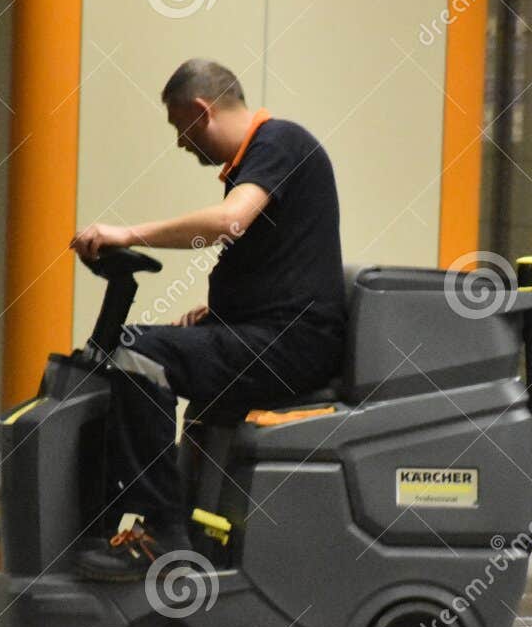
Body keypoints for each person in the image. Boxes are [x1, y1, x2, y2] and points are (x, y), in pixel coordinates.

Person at [69, 58, 345, 580]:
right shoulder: (257, 158)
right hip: (272, 334)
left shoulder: (278, 142)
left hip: (292, 344)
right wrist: (221, 313)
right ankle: (151, 521)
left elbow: (230, 222)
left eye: (181, 127)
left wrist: (126, 234)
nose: (180, 142)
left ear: (202, 111)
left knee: (137, 355)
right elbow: (278, 260)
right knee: (130, 347)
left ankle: (161, 533)